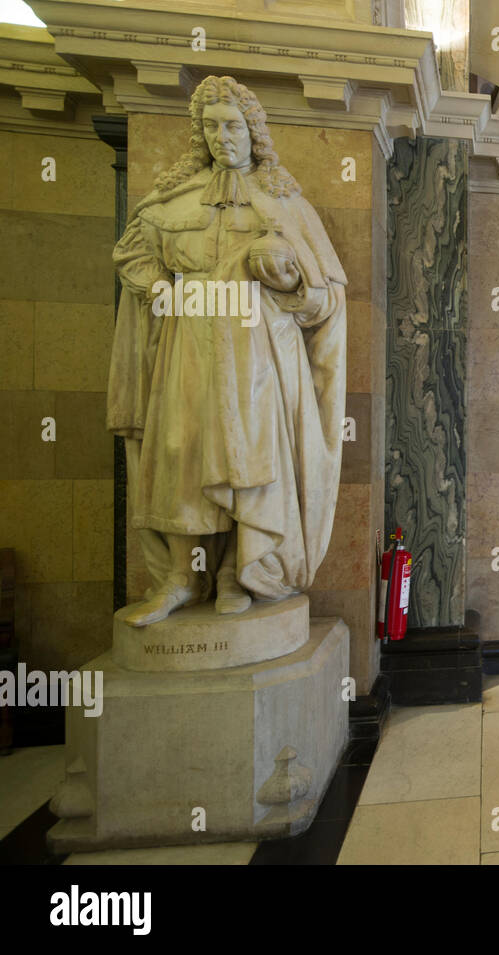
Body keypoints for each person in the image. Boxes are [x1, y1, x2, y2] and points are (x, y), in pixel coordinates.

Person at [107, 75, 347, 627]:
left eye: (233, 125)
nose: (222, 136)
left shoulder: (283, 203)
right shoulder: (174, 199)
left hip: (260, 354)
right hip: (185, 348)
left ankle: (242, 570)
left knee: (252, 460)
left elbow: (325, 299)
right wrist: (164, 288)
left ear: (253, 131)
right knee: (180, 454)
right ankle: (180, 577)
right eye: (210, 126)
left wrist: (285, 272)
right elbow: (133, 257)